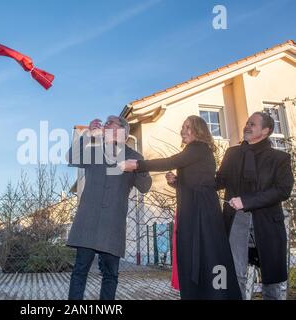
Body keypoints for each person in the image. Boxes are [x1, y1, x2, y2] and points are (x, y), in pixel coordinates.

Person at [121, 115, 241, 300]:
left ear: (199, 131)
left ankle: (217, 295)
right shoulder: (197, 151)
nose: (182, 131)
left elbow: (170, 162)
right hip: (195, 208)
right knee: (197, 255)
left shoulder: (198, 148)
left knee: (207, 255)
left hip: (201, 211)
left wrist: (138, 164)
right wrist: (177, 182)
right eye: (182, 127)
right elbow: (198, 182)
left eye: (187, 127)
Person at [66, 115, 152, 300]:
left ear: (122, 130)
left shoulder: (134, 157)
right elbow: (71, 157)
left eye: (109, 123)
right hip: (88, 222)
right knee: (79, 271)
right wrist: (87, 134)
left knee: (110, 275)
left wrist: (137, 167)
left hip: (112, 225)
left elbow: (145, 186)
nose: (104, 125)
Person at [216, 112, 294, 300]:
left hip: (267, 222)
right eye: (247, 122)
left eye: (252, 124)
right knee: (235, 273)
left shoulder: (280, 158)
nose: (247, 126)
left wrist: (247, 201)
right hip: (236, 220)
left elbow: (283, 190)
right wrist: (184, 180)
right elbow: (218, 181)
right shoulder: (232, 154)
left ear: (266, 131)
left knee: (272, 278)